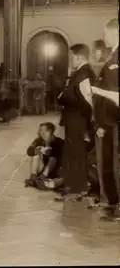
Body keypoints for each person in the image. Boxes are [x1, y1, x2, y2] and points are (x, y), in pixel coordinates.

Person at [56, 44, 96, 202]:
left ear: (79, 57)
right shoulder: (80, 72)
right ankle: (73, 187)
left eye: (72, 56)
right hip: (74, 120)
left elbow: (89, 100)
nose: (70, 59)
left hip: (77, 120)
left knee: (77, 154)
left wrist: (87, 120)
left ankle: (78, 189)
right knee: (72, 153)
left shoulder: (85, 72)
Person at [95, 18, 119, 221]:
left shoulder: (117, 58)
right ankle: (115, 203)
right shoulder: (113, 58)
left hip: (115, 119)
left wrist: (96, 91)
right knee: (113, 164)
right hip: (111, 120)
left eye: (106, 33)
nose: (104, 38)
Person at [24, 122, 65, 189]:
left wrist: (49, 150)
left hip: (56, 169)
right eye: (40, 131)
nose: (42, 133)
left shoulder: (59, 141)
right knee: (36, 152)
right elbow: (29, 151)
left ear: (51, 131)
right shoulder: (39, 141)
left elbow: (60, 153)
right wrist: (39, 150)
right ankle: (33, 177)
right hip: (43, 168)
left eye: (45, 131)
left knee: (53, 157)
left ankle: (43, 177)